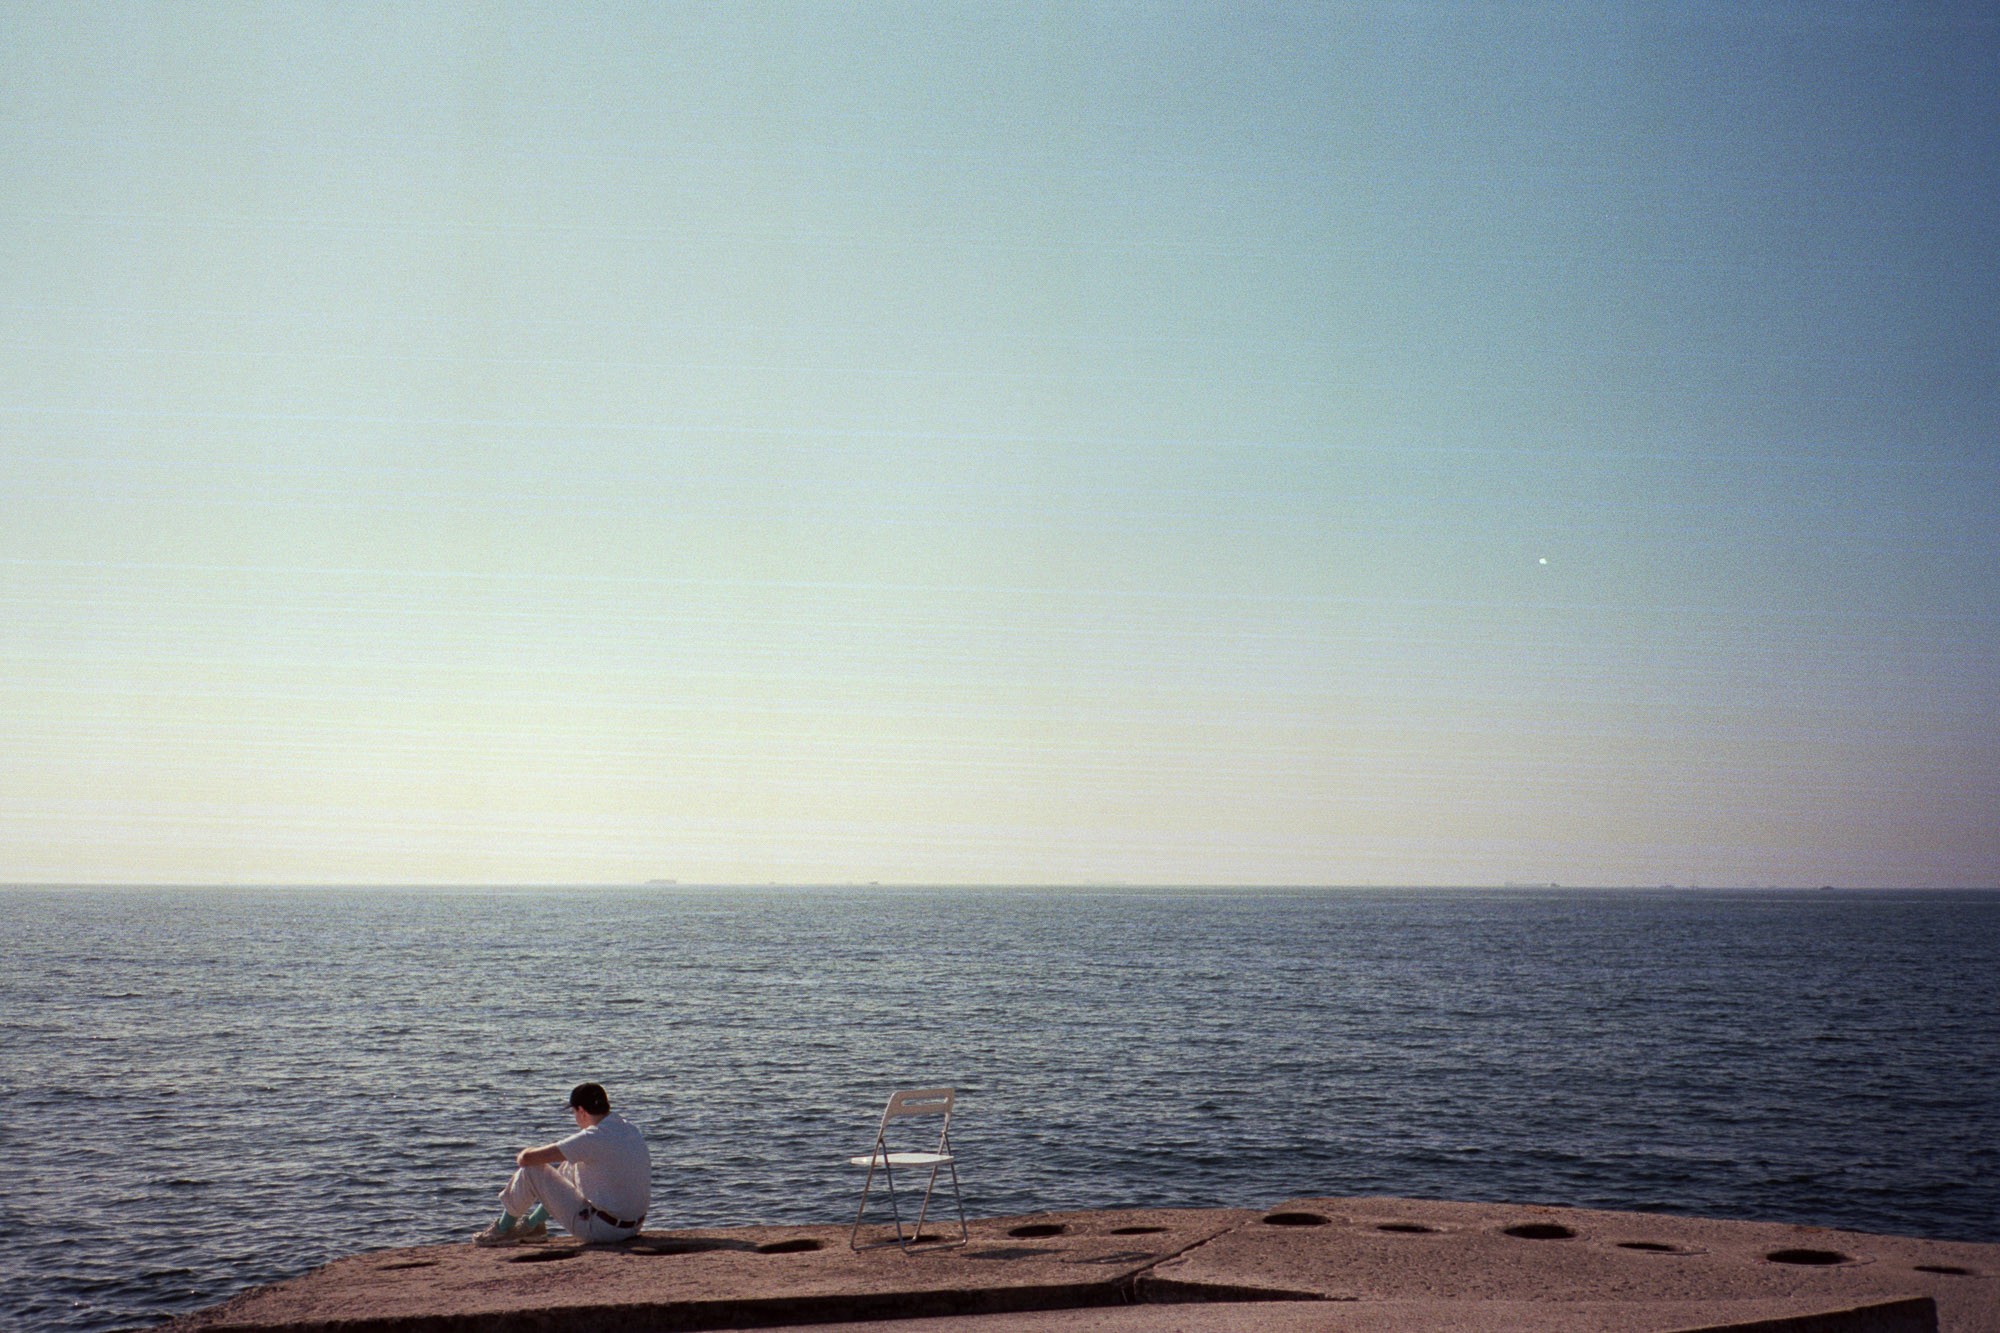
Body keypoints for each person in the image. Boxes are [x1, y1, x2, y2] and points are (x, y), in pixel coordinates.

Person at [474, 1082, 651, 1246]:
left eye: (574, 1112)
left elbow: (526, 1159)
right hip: (632, 1227)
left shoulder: (592, 1137)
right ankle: (533, 1225)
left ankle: (502, 1229)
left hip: (603, 1231)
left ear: (581, 1111)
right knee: (571, 1165)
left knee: (531, 1169)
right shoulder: (629, 1128)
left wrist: (525, 1150)